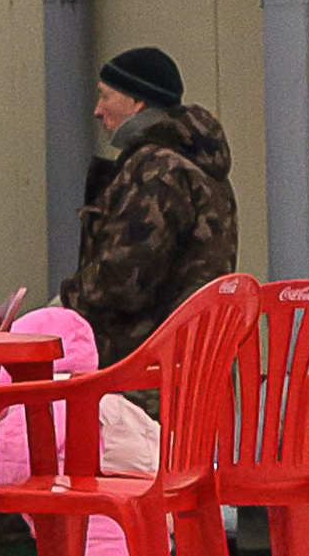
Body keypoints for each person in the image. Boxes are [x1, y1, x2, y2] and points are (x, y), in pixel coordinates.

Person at [61, 47, 238, 366]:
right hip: (197, 365)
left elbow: (125, 278)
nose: (98, 110)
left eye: (106, 96)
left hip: (146, 370)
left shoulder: (157, 170)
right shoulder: (201, 167)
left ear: (137, 102)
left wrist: (63, 305)